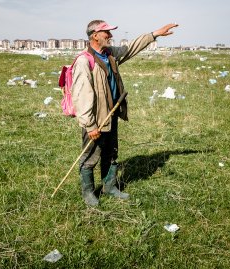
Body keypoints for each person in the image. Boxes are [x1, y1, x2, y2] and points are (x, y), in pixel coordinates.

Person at [72, 20, 179, 206]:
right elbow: (82, 96)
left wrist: (154, 34)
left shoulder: (110, 54)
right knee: (90, 157)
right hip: (96, 120)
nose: (110, 36)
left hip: (111, 114)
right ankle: (88, 193)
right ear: (95, 35)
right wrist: (90, 125)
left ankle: (109, 187)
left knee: (111, 153)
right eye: (106, 32)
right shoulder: (84, 61)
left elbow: (130, 48)